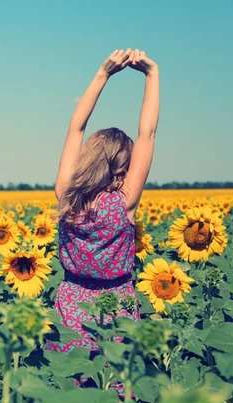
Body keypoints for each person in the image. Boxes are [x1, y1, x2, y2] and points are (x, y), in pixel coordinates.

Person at [46, 48, 160, 384]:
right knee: (118, 388)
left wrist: (103, 73)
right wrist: (151, 75)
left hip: (70, 303)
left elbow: (75, 128)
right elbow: (148, 134)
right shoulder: (124, 202)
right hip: (117, 305)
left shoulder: (67, 194)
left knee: (73, 390)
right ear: (122, 168)